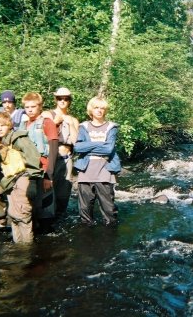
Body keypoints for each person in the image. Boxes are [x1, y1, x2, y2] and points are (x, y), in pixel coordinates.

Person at [0, 111, 42, 243]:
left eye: (3, 125)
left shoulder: (18, 138)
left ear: (10, 125)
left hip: (23, 178)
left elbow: (33, 156)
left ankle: (27, 250)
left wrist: (33, 180)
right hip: (10, 181)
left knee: (23, 216)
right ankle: (19, 247)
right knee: (14, 216)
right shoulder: (0, 143)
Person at [74, 96, 121, 227]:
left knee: (109, 211)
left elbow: (108, 149)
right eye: (96, 107)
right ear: (91, 110)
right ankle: (87, 241)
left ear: (105, 110)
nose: (99, 110)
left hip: (105, 172)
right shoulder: (83, 126)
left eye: (102, 108)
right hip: (85, 172)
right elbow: (78, 147)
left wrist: (89, 146)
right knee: (85, 212)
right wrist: (100, 144)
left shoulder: (111, 127)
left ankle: (110, 240)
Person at [19, 92, 59, 230]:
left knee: (45, 211)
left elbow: (53, 149)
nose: (30, 109)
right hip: (26, 172)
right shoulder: (23, 125)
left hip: (43, 171)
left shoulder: (47, 123)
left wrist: (49, 175)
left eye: (33, 106)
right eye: (27, 106)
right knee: (30, 208)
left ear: (40, 106)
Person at [49, 87, 79, 217]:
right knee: (48, 189)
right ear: (55, 99)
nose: (62, 101)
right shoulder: (47, 115)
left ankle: (60, 217)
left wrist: (70, 124)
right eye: (59, 98)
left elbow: (76, 142)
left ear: (69, 101)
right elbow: (43, 136)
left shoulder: (73, 119)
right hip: (51, 157)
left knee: (63, 193)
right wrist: (55, 123)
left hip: (66, 158)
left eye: (65, 99)